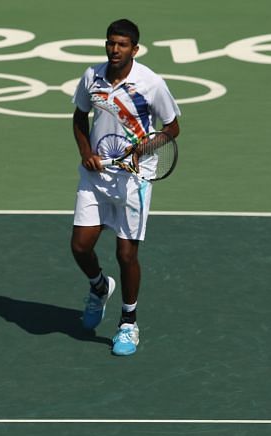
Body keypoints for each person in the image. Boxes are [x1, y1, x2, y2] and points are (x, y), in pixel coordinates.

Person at [70, 19, 181, 356]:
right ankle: (99, 286)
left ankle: (128, 323)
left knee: (126, 254)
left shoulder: (151, 83)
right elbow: (79, 117)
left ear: (135, 49)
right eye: (110, 43)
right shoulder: (92, 76)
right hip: (96, 176)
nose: (114, 49)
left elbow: (172, 128)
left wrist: (141, 150)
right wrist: (86, 153)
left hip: (134, 178)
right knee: (80, 247)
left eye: (121, 45)